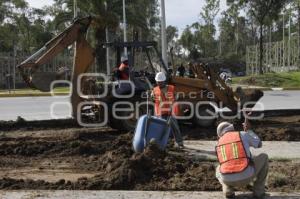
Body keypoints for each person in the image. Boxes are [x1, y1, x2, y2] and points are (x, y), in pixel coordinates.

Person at [215, 118, 269, 199]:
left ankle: (228, 190)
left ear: (219, 134)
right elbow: (259, 144)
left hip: (227, 179)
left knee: (219, 168)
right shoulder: (242, 134)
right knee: (264, 157)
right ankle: (259, 192)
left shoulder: (218, 144)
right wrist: (249, 130)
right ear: (231, 128)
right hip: (246, 175)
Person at [151, 72, 184, 148]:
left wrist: (176, 98)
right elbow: (153, 100)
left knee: (175, 128)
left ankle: (179, 143)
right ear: (156, 82)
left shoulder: (171, 88)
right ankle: (160, 144)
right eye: (158, 82)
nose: (159, 83)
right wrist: (151, 97)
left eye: (161, 82)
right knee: (160, 129)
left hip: (170, 112)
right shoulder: (154, 90)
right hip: (160, 113)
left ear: (164, 81)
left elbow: (177, 95)